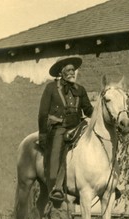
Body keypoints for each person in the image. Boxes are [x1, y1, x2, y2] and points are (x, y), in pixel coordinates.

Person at [38, 56, 93, 205]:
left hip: (79, 126)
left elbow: (88, 109)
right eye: (68, 70)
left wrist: (100, 115)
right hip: (60, 127)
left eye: (73, 70)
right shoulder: (51, 88)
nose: (72, 72)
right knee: (56, 152)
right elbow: (43, 113)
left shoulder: (80, 90)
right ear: (61, 72)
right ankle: (57, 188)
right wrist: (43, 134)